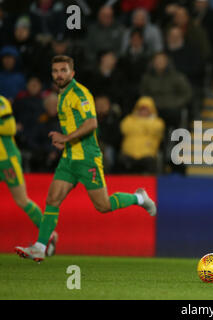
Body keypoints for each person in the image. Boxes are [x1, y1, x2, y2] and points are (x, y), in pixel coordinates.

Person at [14, 55, 157, 263]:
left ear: (72, 73)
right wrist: (66, 143)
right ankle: (40, 246)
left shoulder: (80, 93)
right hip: (69, 157)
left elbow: (92, 123)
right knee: (53, 199)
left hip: (87, 158)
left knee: (103, 206)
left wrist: (66, 137)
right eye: (55, 71)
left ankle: (140, 198)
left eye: (63, 70)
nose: (59, 74)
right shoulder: (62, 94)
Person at [0, 94, 58, 257]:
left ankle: (49, 235)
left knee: (21, 200)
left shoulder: (1, 102)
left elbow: (10, 128)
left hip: (6, 161)